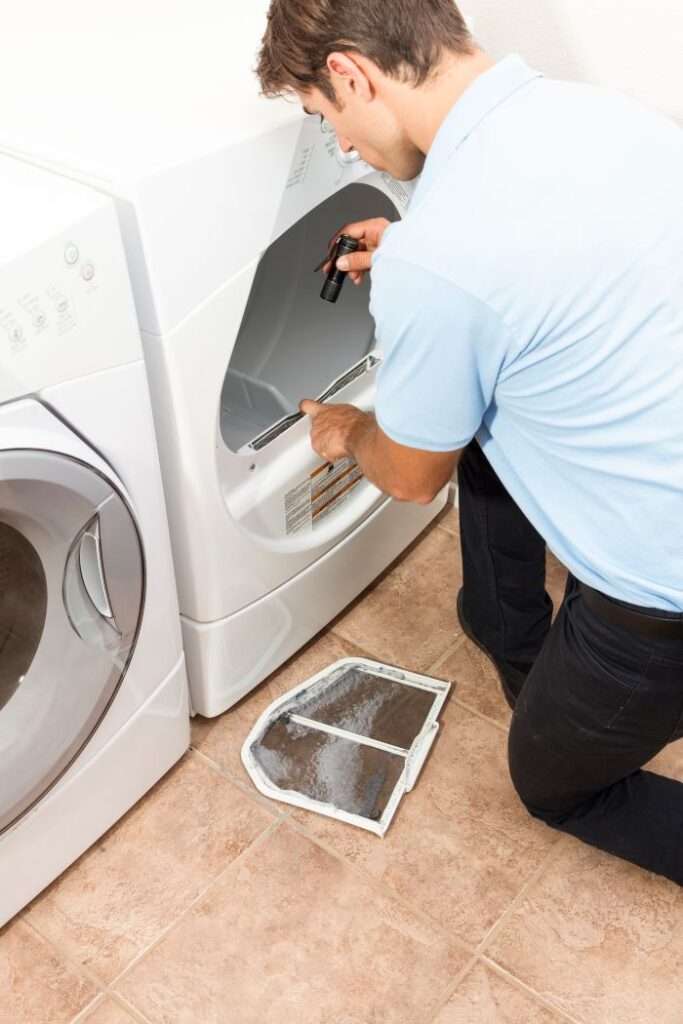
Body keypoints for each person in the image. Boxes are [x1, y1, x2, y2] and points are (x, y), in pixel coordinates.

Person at [256, 0, 683, 884]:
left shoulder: (443, 260)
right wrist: (423, 257)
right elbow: (556, 262)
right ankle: (501, 621)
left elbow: (412, 477)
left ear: (350, 74)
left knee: (552, 783)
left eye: (323, 117)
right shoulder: (604, 114)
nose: (339, 144)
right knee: (484, 406)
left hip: (661, 601)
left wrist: (346, 428)